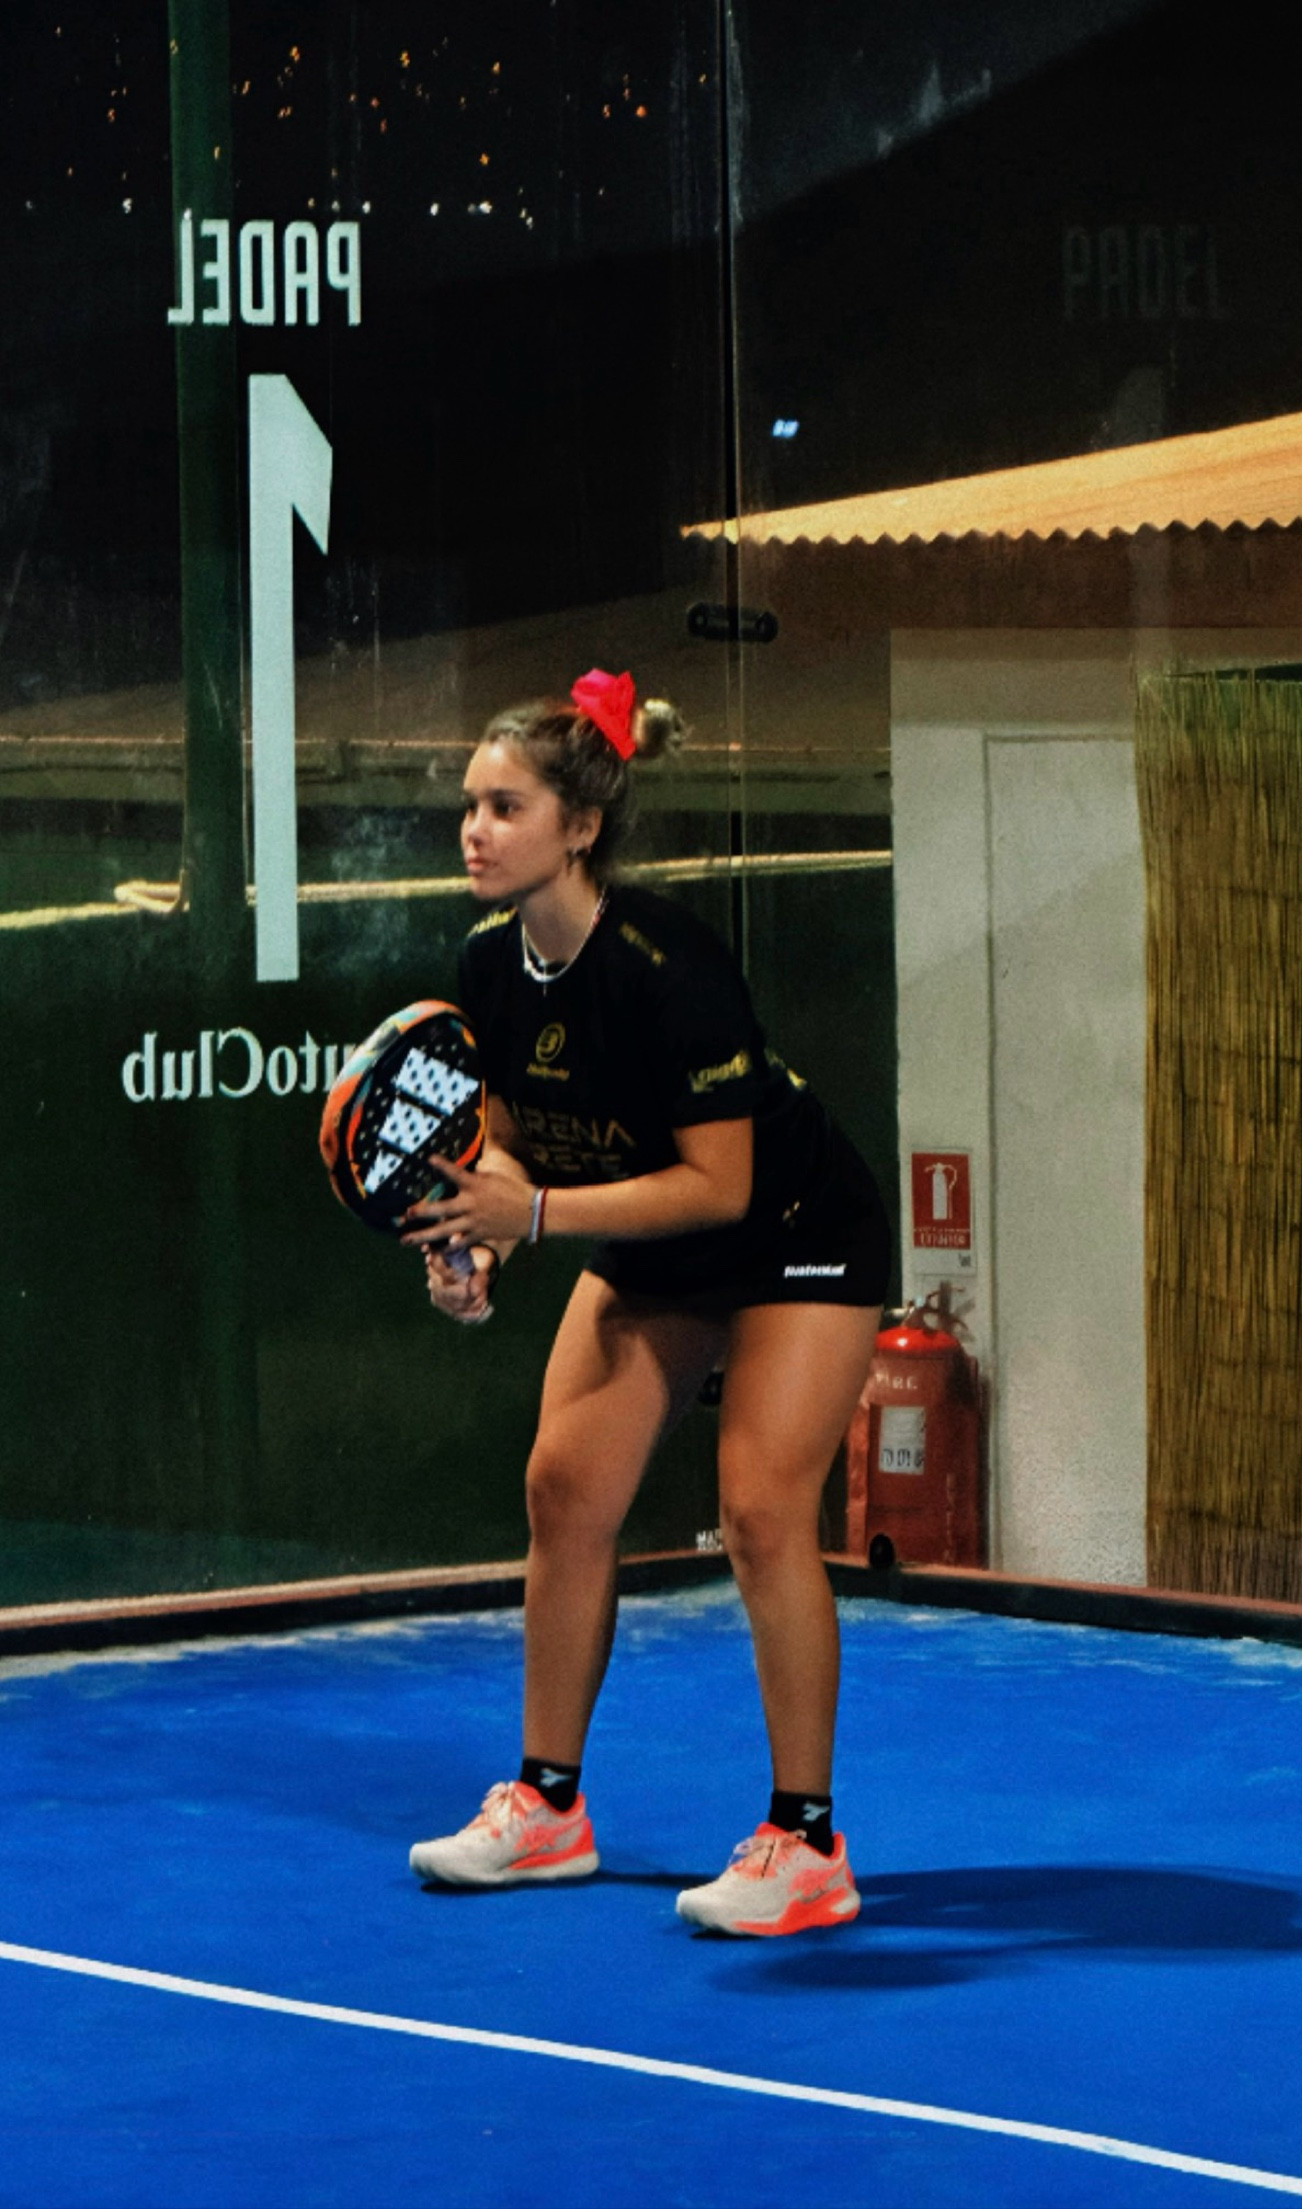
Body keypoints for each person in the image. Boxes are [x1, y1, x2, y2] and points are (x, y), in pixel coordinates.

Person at [401, 668, 890, 1937]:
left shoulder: (672, 965)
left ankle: (808, 1845)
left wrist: (536, 1219)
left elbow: (722, 1186)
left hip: (796, 1231)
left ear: (580, 827)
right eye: (471, 806)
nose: (474, 831)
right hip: (653, 1239)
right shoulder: (487, 965)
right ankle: (547, 1808)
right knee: (564, 1488)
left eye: (505, 807)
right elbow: (512, 1140)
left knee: (761, 1511)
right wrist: (477, 1238)